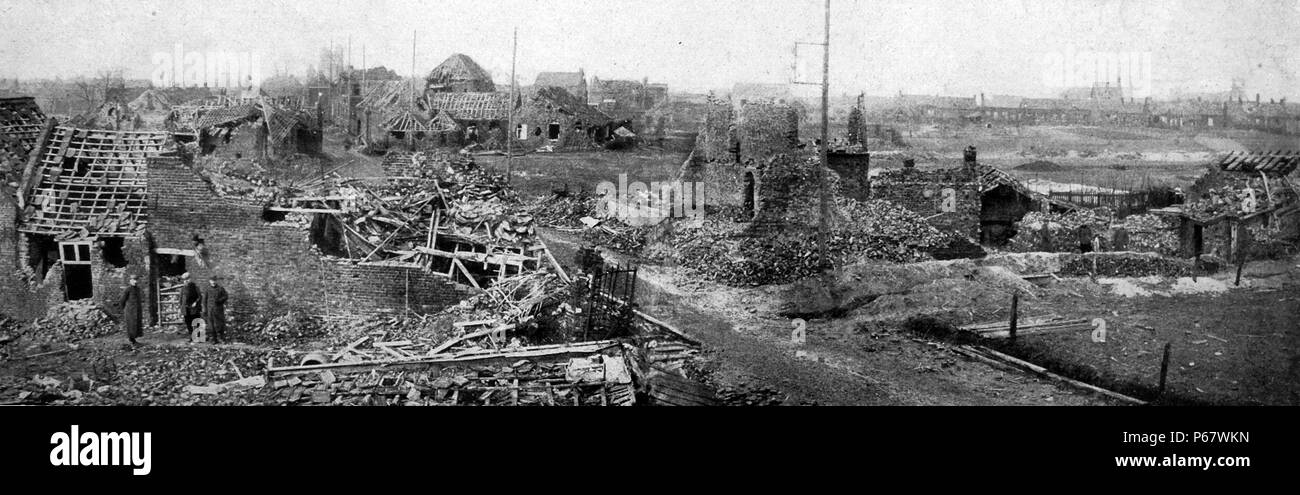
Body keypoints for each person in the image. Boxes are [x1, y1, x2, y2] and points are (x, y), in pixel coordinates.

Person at [201, 275, 229, 344]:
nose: (213, 282)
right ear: (209, 281)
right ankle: (214, 339)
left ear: (216, 281)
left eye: (214, 281)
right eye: (212, 281)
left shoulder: (220, 288)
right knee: (211, 325)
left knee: (219, 324)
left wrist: (220, 300)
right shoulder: (207, 289)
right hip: (210, 310)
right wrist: (204, 309)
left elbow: (226, 296)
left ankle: (220, 338)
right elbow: (204, 300)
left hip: (219, 309)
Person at [117, 274, 143, 346]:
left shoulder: (138, 289)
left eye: (136, 280)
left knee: (135, 325)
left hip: (136, 310)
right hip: (129, 311)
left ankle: (134, 340)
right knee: (130, 325)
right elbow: (122, 300)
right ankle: (131, 341)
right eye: (133, 280)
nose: (135, 282)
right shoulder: (127, 289)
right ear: (130, 281)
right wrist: (124, 309)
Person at [179, 272, 201, 341]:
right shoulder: (183, 288)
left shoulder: (195, 287)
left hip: (194, 308)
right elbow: (181, 299)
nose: (186, 281)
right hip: (186, 308)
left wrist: (196, 302)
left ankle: (197, 337)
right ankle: (191, 336)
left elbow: (199, 297)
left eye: (187, 279)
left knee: (195, 322)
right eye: (185, 280)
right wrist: (180, 307)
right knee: (188, 323)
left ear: (190, 279)